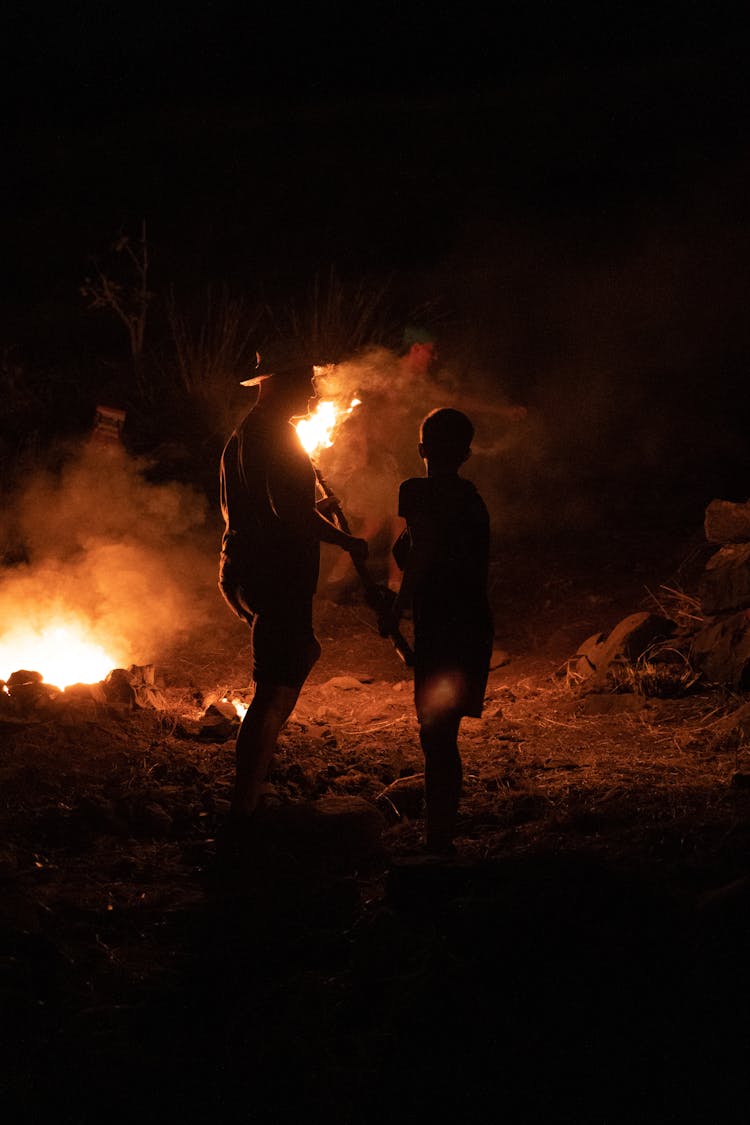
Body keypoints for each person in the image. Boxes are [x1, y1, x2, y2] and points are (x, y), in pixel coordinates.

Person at [218, 342, 368, 824]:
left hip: (251, 566)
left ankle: (252, 792)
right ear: (276, 385)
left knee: (299, 656)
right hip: (276, 574)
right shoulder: (276, 439)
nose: (312, 392)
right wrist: (346, 540)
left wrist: (314, 513)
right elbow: (289, 514)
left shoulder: (243, 436)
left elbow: (264, 509)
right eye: (305, 383)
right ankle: (245, 806)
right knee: (274, 689)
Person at [381, 407, 494, 854]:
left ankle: (439, 844)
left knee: (436, 735)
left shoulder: (416, 491)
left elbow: (423, 547)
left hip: (445, 629)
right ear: (467, 453)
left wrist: (396, 607)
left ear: (421, 449)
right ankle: (440, 837)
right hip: (470, 627)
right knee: (442, 734)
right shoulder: (472, 498)